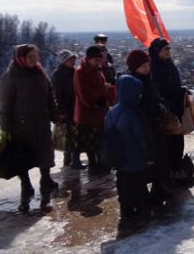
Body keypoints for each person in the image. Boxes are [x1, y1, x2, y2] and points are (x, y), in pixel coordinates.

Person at [0, 44, 60, 213]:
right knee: (23, 159)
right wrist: (5, 129)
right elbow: (5, 106)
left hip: (42, 124)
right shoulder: (11, 77)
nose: (34, 60)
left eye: (36, 56)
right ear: (21, 58)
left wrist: (56, 115)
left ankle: (45, 184)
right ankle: (26, 186)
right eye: (30, 57)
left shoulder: (40, 73)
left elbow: (50, 96)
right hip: (21, 128)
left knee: (45, 156)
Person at [124, 50, 173, 203]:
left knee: (159, 158)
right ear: (135, 67)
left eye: (147, 65)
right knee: (148, 161)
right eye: (143, 66)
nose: (147, 68)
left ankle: (159, 188)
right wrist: (156, 108)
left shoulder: (147, 79)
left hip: (154, 125)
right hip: (143, 126)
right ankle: (146, 194)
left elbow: (155, 97)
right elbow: (140, 105)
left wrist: (162, 106)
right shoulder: (132, 83)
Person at [104, 75, 154, 220]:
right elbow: (141, 138)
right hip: (135, 159)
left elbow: (106, 132)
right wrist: (149, 157)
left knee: (124, 188)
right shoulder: (133, 113)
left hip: (119, 159)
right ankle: (143, 211)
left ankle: (126, 212)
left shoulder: (112, 112)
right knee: (139, 187)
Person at [149, 38, 189, 182]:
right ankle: (169, 173)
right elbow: (161, 89)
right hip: (165, 112)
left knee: (177, 142)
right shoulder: (154, 67)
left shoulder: (169, 64)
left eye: (168, 48)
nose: (168, 51)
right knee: (168, 144)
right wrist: (178, 91)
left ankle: (176, 168)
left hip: (176, 110)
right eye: (165, 49)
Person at [74, 45, 115, 175]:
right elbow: (84, 93)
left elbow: (101, 86)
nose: (99, 62)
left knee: (99, 141)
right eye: (96, 60)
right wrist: (100, 95)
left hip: (100, 112)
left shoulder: (97, 70)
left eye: (100, 60)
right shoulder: (80, 72)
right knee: (90, 143)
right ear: (89, 59)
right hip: (88, 113)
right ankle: (93, 166)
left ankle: (101, 164)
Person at [51, 50, 78, 167]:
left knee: (75, 134)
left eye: (73, 59)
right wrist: (61, 110)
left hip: (75, 107)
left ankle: (73, 159)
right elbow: (57, 94)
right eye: (70, 59)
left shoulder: (74, 72)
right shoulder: (59, 75)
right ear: (64, 61)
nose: (73, 61)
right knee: (69, 134)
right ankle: (69, 160)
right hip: (66, 108)